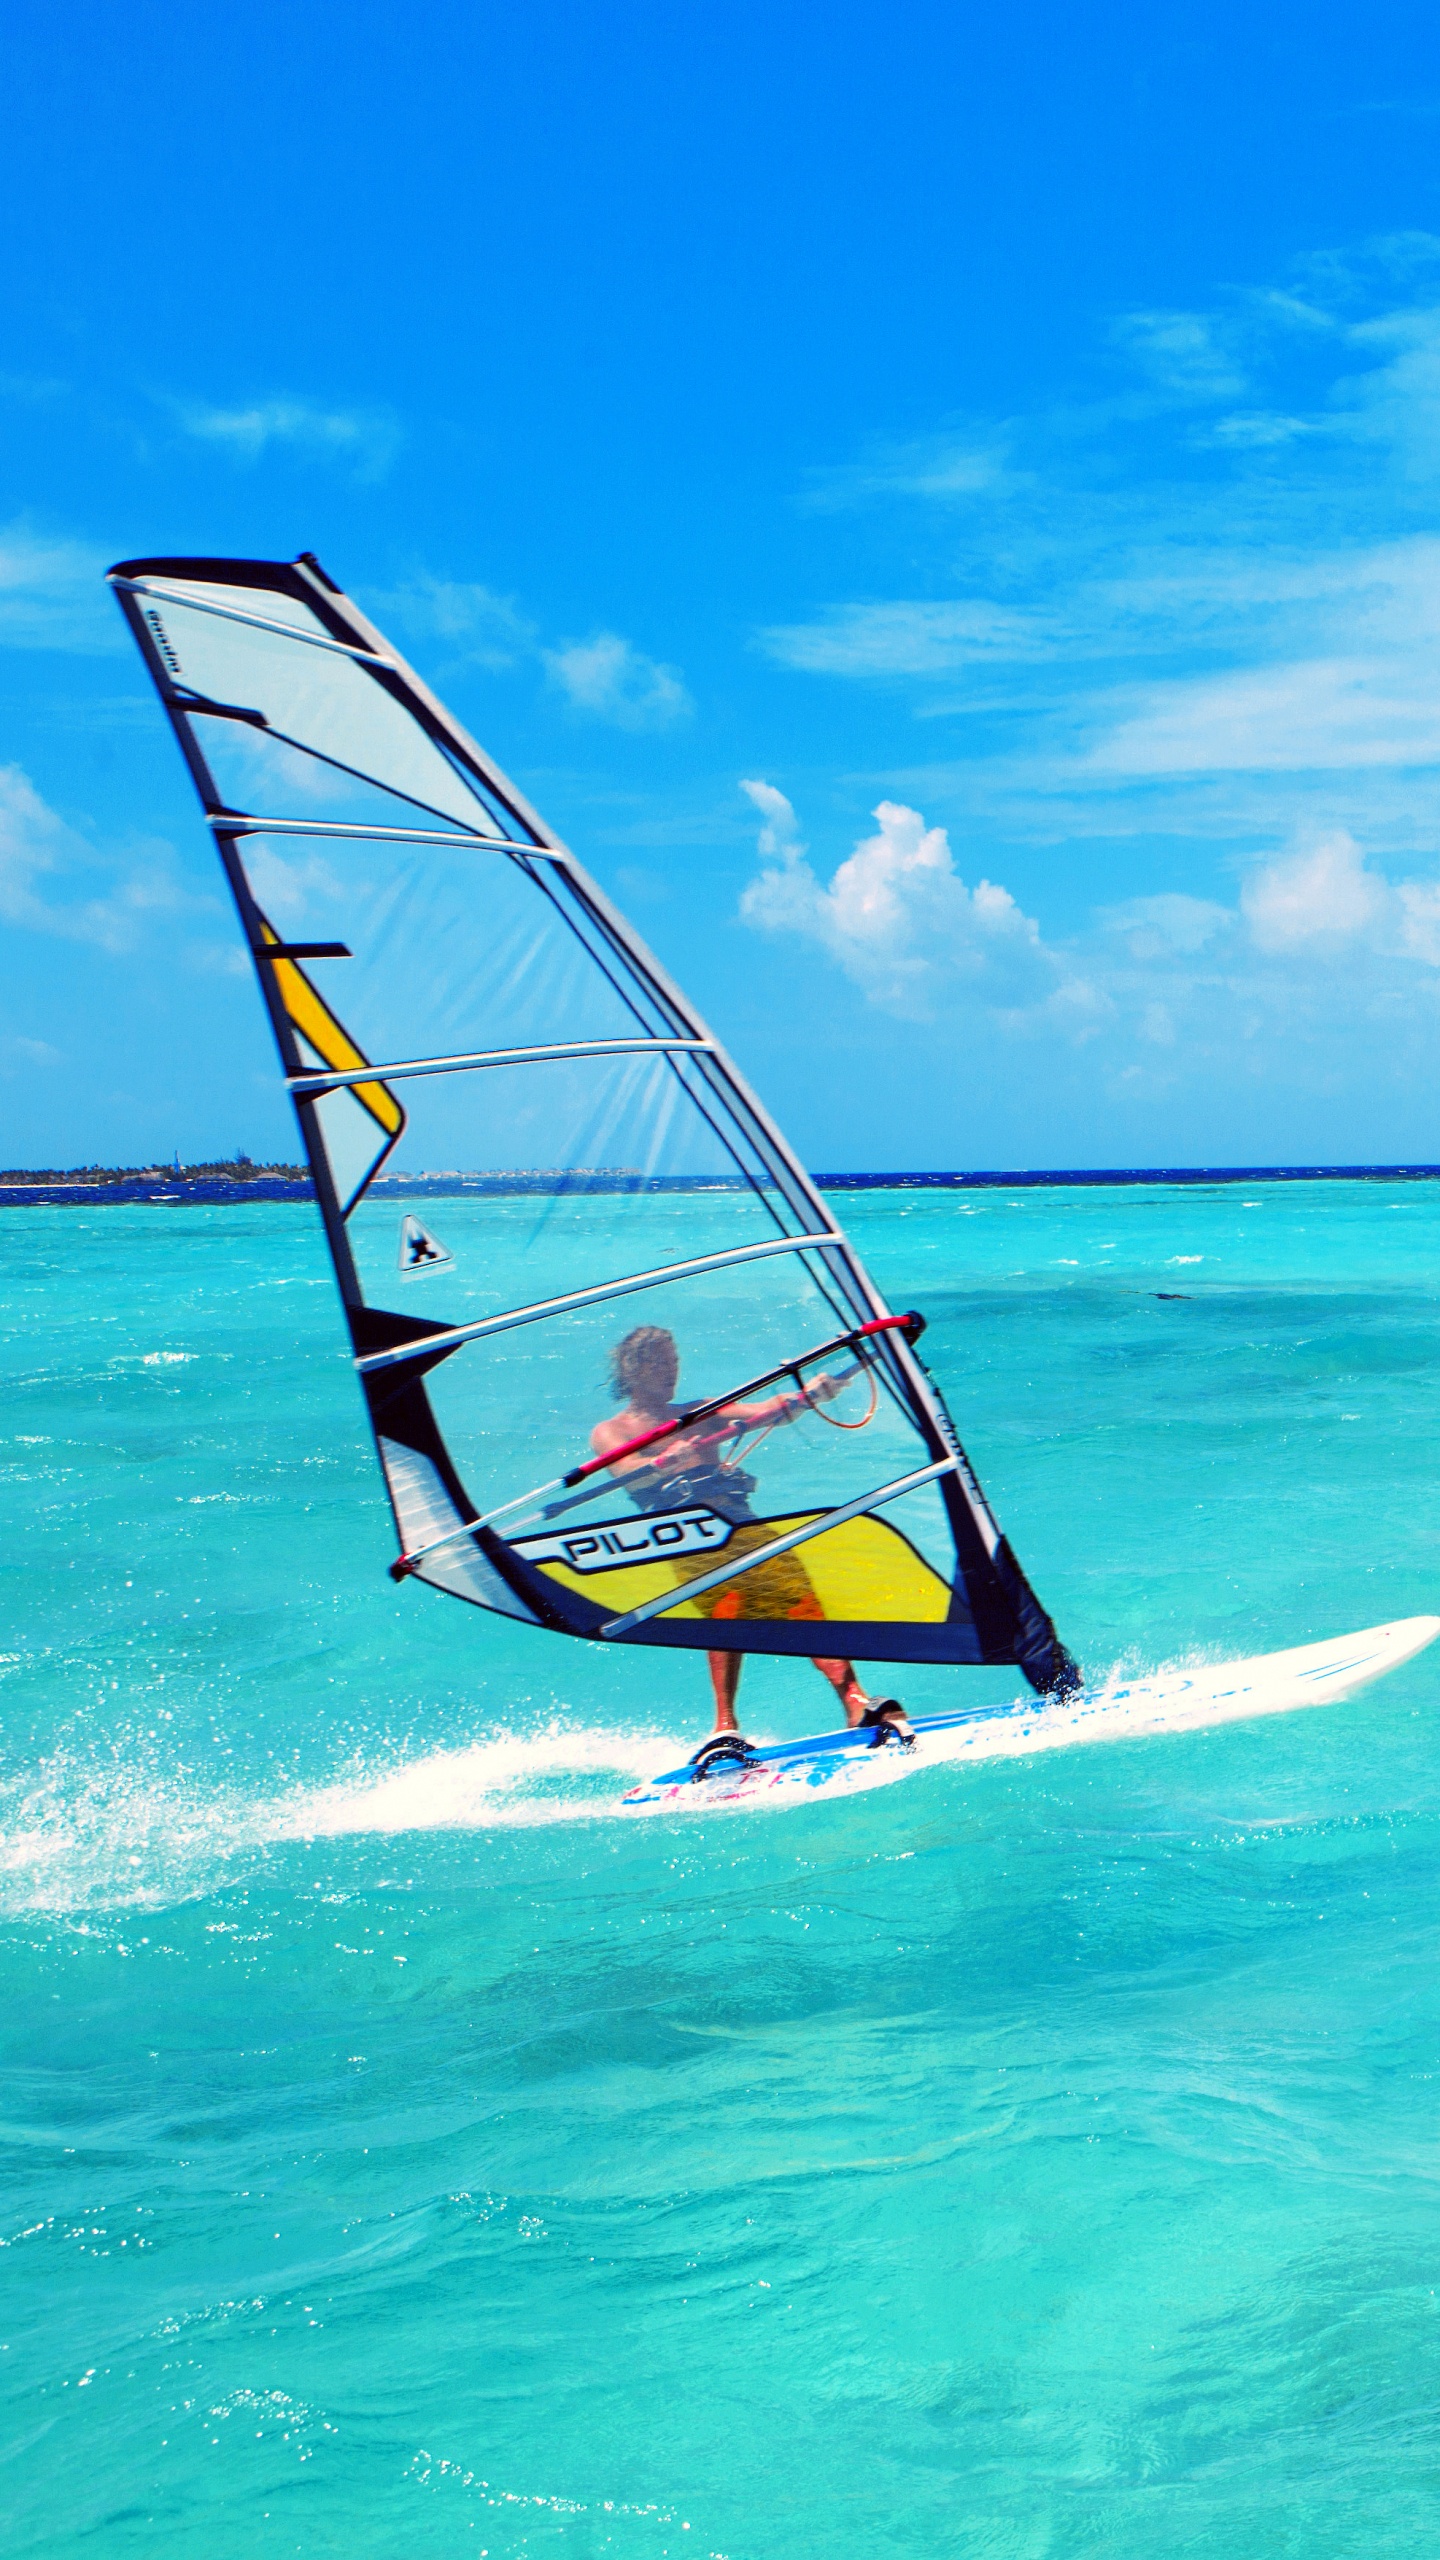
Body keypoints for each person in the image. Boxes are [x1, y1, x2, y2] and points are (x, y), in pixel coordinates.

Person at [591, 1324, 910, 1757]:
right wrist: (665, 1460)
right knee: (726, 1610)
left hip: (740, 1522)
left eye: (675, 1360)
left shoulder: (699, 1411)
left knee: (802, 1601)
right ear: (636, 1368)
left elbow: (769, 1410)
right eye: (662, 1362)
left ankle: (854, 1701)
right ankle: (724, 1725)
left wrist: (812, 1393)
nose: (672, 1369)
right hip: (687, 1533)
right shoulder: (612, 1430)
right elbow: (628, 1468)